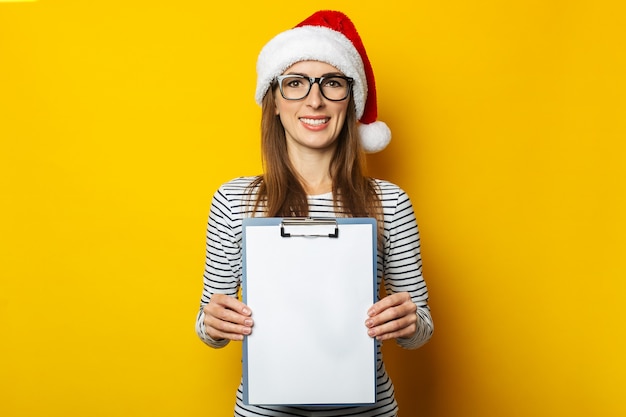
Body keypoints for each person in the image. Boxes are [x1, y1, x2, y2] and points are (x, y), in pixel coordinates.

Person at [196, 10, 433, 417]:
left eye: (332, 83)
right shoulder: (234, 199)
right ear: (273, 102)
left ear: (351, 99)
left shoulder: (389, 201)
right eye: (295, 83)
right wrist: (214, 323)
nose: (315, 99)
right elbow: (208, 325)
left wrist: (408, 322)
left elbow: (421, 329)